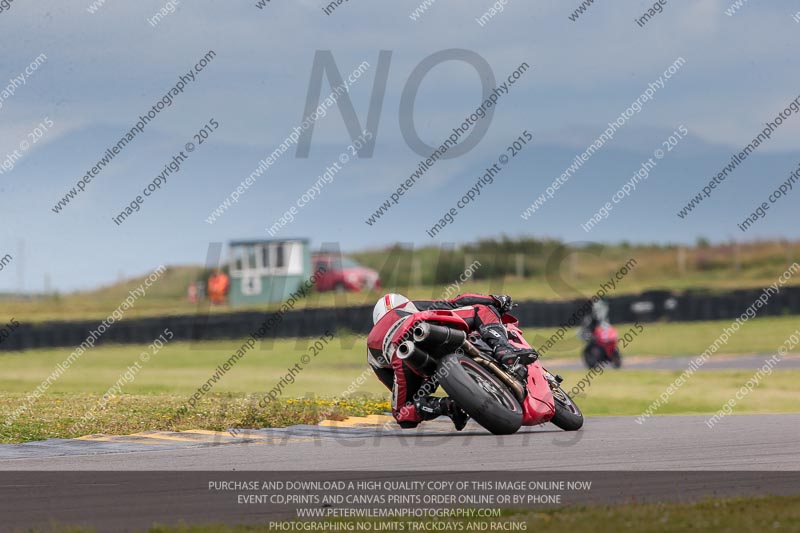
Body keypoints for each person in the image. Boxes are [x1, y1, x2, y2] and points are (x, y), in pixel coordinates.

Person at [367, 293, 537, 430]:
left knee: (403, 414)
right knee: (482, 309)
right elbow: (458, 301)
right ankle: (503, 348)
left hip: (405, 359)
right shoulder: (406, 307)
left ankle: (448, 406)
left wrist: (424, 388)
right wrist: (496, 300)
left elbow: (392, 383)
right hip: (424, 328)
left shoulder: (371, 348)